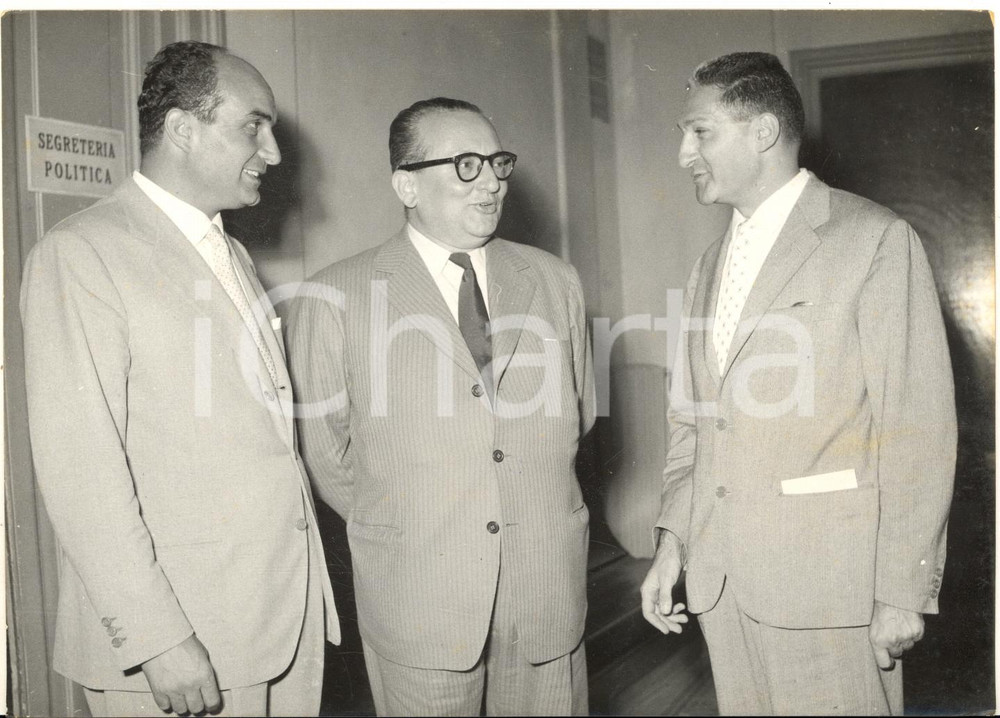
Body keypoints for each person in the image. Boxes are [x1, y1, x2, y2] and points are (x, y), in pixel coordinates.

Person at [20, 41, 340, 717]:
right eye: (253, 126)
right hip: (180, 643)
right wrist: (156, 638)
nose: (273, 152)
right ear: (182, 129)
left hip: (272, 620)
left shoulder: (231, 252)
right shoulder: (81, 252)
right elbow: (80, 470)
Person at [640, 52, 956, 715]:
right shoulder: (706, 267)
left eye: (699, 132)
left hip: (831, 591)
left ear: (762, 131)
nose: (683, 153)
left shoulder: (873, 239)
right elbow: (693, 423)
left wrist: (903, 590)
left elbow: (918, 429)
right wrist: (674, 542)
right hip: (722, 586)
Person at [287, 97, 595, 716]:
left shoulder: (554, 280)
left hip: (544, 589)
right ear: (407, 184)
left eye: (497, 163)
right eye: (465, 165)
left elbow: (577, 416)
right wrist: (412, 522)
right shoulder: (333, 296)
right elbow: (326, 455)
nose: (491, 182)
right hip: (420, 597)